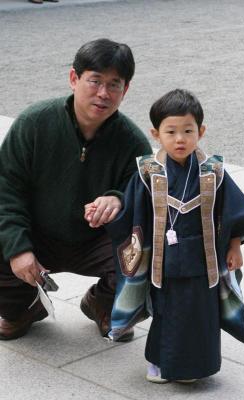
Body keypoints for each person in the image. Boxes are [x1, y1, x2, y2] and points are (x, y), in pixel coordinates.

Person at [88, 89, 244, 383]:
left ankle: (196, 368)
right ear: (156, 133)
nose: (180, 139)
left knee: (201, 314)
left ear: (201, 131)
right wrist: (109, 211)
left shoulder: (213, 172)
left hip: (203, 259)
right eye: (171, 131)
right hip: (164, 261)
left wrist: (235, 246)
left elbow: (233, 211)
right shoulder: (148, 172)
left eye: (188, 130)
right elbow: (132, 211)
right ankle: (160, 363)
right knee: (166, 313)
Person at [0, 38, 152, 341]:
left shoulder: (133, 143)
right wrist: (18, 247)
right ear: (74, 78)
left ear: (126, 89)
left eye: (114, 85)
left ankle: (103, 302)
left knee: (156, 257)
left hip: (97, 242)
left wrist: (118, 200)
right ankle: (24, 305)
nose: (103, 93)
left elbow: (149, 202)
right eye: (94, 80)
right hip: (38, 233)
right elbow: (6, 189)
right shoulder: (34, 123)